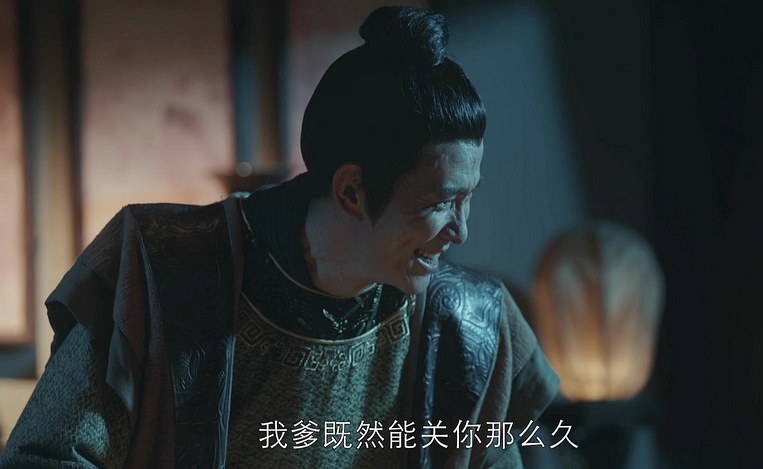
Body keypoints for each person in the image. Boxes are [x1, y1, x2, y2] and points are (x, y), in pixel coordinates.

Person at [0, 6, 558, 468]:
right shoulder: (161, 275)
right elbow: (45, 457)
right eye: (438, 204)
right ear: (352, 191)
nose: (462, 230)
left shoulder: (465, 323)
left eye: (467, 198)